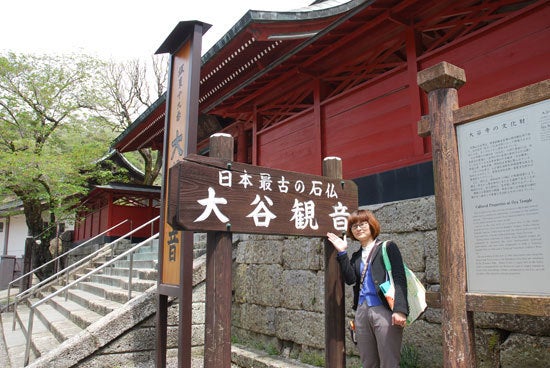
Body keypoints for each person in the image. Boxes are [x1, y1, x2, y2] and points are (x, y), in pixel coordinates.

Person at [327, 209, 408, 368]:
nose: (358, 228)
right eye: (354, 226)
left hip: (384, 309)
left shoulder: (387, 247)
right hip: (362, 311)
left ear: (371, 225)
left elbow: (399, 278)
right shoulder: (356, 256)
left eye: (362, 224)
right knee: (368, 362)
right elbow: (351, 280)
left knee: (389, 361)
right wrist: (342, 252)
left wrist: (400, 310)